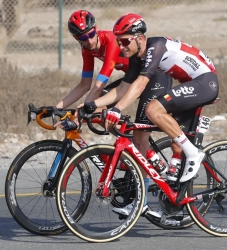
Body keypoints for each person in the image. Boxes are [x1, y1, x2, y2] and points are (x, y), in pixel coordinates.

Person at [83, 13, 219, 217]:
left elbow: (140, 85)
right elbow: (122, 89)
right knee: (165, 135)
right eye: (119, 42)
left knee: (153, 109)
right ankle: (144, 199)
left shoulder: (156, 46)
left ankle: (194, 154)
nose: (121, 47)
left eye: (125, 41)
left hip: (205, 82)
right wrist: (92, 105)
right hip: (191, 84)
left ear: (139, 37)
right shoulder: (137, 57)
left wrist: (117, 109)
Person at [56, 11, 173, 218]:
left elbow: (99, 86)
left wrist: (81, 111)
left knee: (127, 129)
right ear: (77, 39)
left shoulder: (110, 40)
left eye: (90, 34)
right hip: (131, 79)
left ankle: (142, 193)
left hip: (152, 79)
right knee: (99, 114)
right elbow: (84, 85)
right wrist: (57, 107)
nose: (89, 40)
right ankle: (129, 161)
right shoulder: (87, 50)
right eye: (82, 38)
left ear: (96, 30)